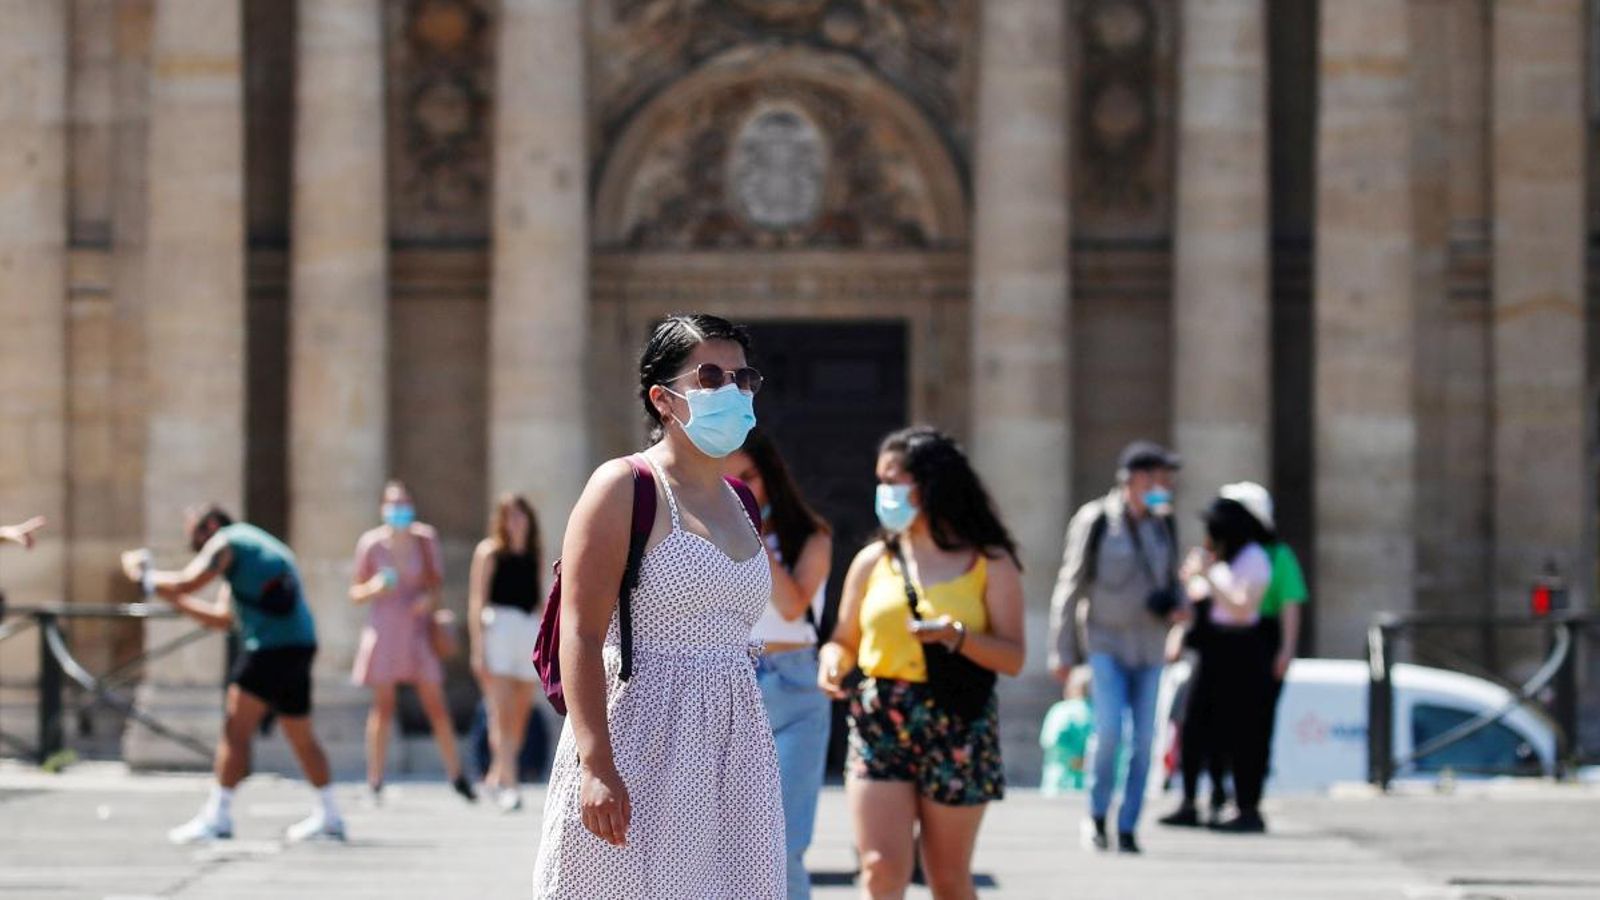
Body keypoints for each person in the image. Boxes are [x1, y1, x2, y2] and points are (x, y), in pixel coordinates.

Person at [531, 314, 784, 898]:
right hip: (639, 732)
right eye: (712, 376)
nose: (734, 391)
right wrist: (595, 764)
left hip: (734, 739)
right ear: (662, 399)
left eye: (743, 378)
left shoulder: (742, 499)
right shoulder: (623, 486)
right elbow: (581, 631)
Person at [819, 426, 1026, 900]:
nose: (883, 492)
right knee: (880, 868)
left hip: (956, 719)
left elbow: (1013, 657)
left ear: (929, 484)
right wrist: (832, 662)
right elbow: (843, 639)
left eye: (892, 479)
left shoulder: (990, 562)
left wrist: (955, 636)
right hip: (880, 716)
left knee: (948, 878)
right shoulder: (874, 560)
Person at [118, 505, 344, 844]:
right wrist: (170, 595)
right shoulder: (250, 548)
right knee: (300, 734)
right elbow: (221, 619)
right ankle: (330, 815)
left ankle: (218, 817)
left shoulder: (225, 542)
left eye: (193, 533)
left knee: (234, 730)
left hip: (268, 648)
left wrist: (142, 576)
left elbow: (186, 582)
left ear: (209, 526)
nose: (191, 542)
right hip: (299, 644)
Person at [1047, 440, 1184, 854]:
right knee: (1108, 731)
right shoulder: (1096, 521)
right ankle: (1097, 814)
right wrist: (1062, 650)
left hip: (1150, 646)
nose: (1166, 485)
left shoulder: (1164, 524)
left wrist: (1177, 610)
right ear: (1136, 479)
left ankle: (1128, 824)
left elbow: (1172, 581)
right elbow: (1070, 585)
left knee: (1145, 739)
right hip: (1106, 642)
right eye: (1159, 477)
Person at [727, 429, 834, 899]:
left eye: (747, 477)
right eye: (727, 479)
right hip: (728, 678)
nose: (739, 489)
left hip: (794, 683)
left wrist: (751, 534)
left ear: (770, 476)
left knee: (783, 841)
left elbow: (791, 605)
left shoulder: (811, 537)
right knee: (723, 839)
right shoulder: (702, 532)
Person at [349, 480, 473, 804]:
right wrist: (374, 587)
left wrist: (427, 601)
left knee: (435, 702)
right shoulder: (371, 544)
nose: (399, 510)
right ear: (383, 508)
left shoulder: (424, 538)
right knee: (383, 706)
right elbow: (356, 592)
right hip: (386, 626)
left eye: (403, 503)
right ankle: (374, 779)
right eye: (393, 504)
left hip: (417, 627)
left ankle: (456, 775)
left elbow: (436, 585)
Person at [1161, 492, 1276, 833]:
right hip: (1210, 649)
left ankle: (1242, 805)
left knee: (1239, 731)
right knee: (1195, 725)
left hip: (1241, 650)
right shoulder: (1219, 561)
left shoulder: (1254, 558)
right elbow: (1195, 604)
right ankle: (1190, 800)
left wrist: (1208, 576)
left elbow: (1241, 609)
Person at [467, 493, 544, 812]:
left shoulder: (535, 554)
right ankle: (510, 784)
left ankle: (498, 772)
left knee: (521, 713)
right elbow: (477, 600)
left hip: (527, 629)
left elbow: (542, 599)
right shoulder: (489, 552)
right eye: (509, 516)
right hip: (498, 628)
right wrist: (477, 647)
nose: (515, 522)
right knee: (500, 710)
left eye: (520, 515)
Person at [1040, 665, 1095, 795]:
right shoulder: (1105, 715)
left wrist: (1076, 761)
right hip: (1093, 786)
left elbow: (1052, 741)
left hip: (1061, 783)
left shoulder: (1061, 711)